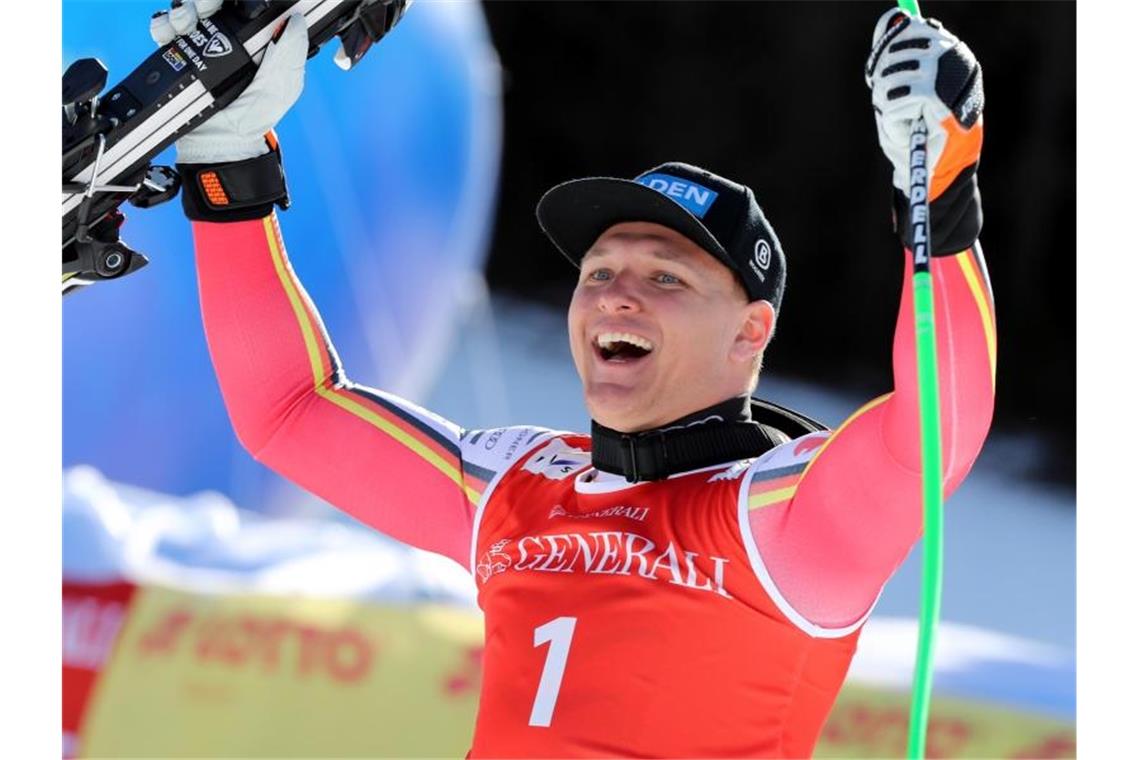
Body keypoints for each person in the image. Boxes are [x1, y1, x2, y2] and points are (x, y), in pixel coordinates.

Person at [154, 1, 995, 756]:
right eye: (598, 273)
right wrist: (229, 170)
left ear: (751, 331)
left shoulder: (782, 522)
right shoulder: (514, 486)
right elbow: (290, 410)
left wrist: (944, 195)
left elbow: (936, 431)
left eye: (665, 278)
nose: (615, 296)